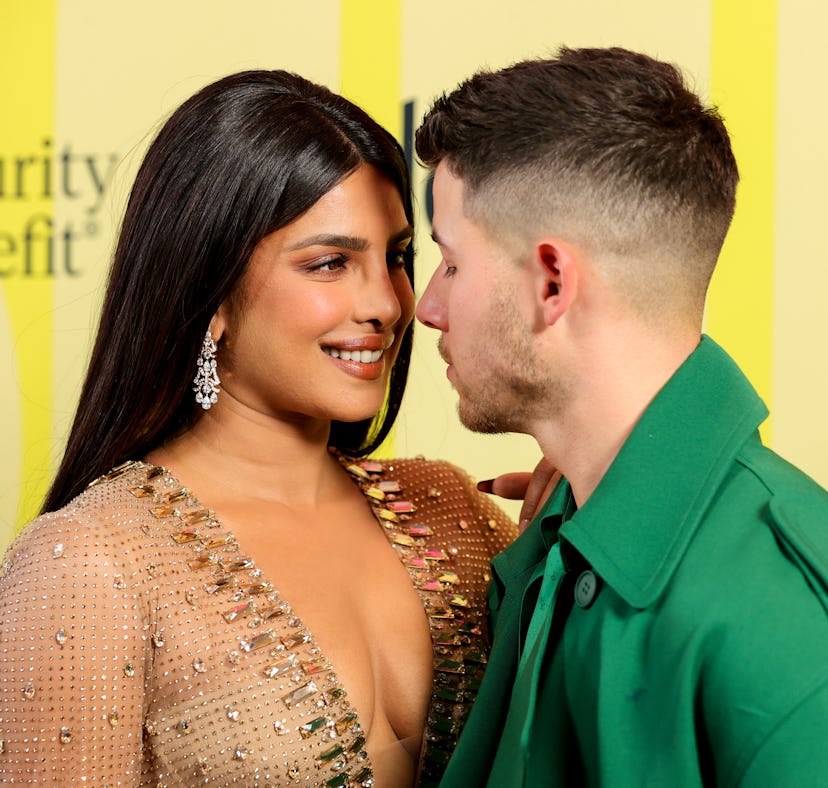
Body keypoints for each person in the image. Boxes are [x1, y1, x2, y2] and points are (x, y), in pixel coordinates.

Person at [0, 70, 517, 787]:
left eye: (397, 257)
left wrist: (586, 514)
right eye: (330, 263)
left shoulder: (453, 512)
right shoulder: (92, 564)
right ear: (209, 294)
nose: (386, 303)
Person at [414, 47, 828, 786]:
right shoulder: (559, 539)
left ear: (550, 282)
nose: (428, 308)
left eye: (451, 263)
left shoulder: (786, 613)